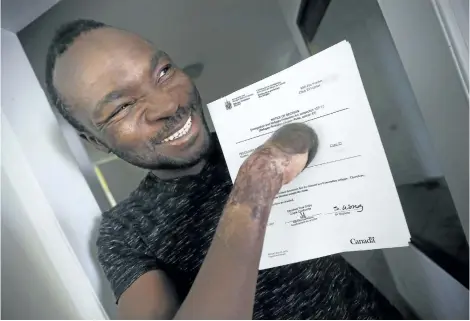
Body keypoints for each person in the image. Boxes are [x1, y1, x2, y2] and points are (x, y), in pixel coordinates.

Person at [45, 19, 401, 319]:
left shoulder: (256, 135)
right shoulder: (124, 231)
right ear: (95, 141)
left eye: (163, 71)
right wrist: (257, 180)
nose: (169, 104)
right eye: (122, 107)